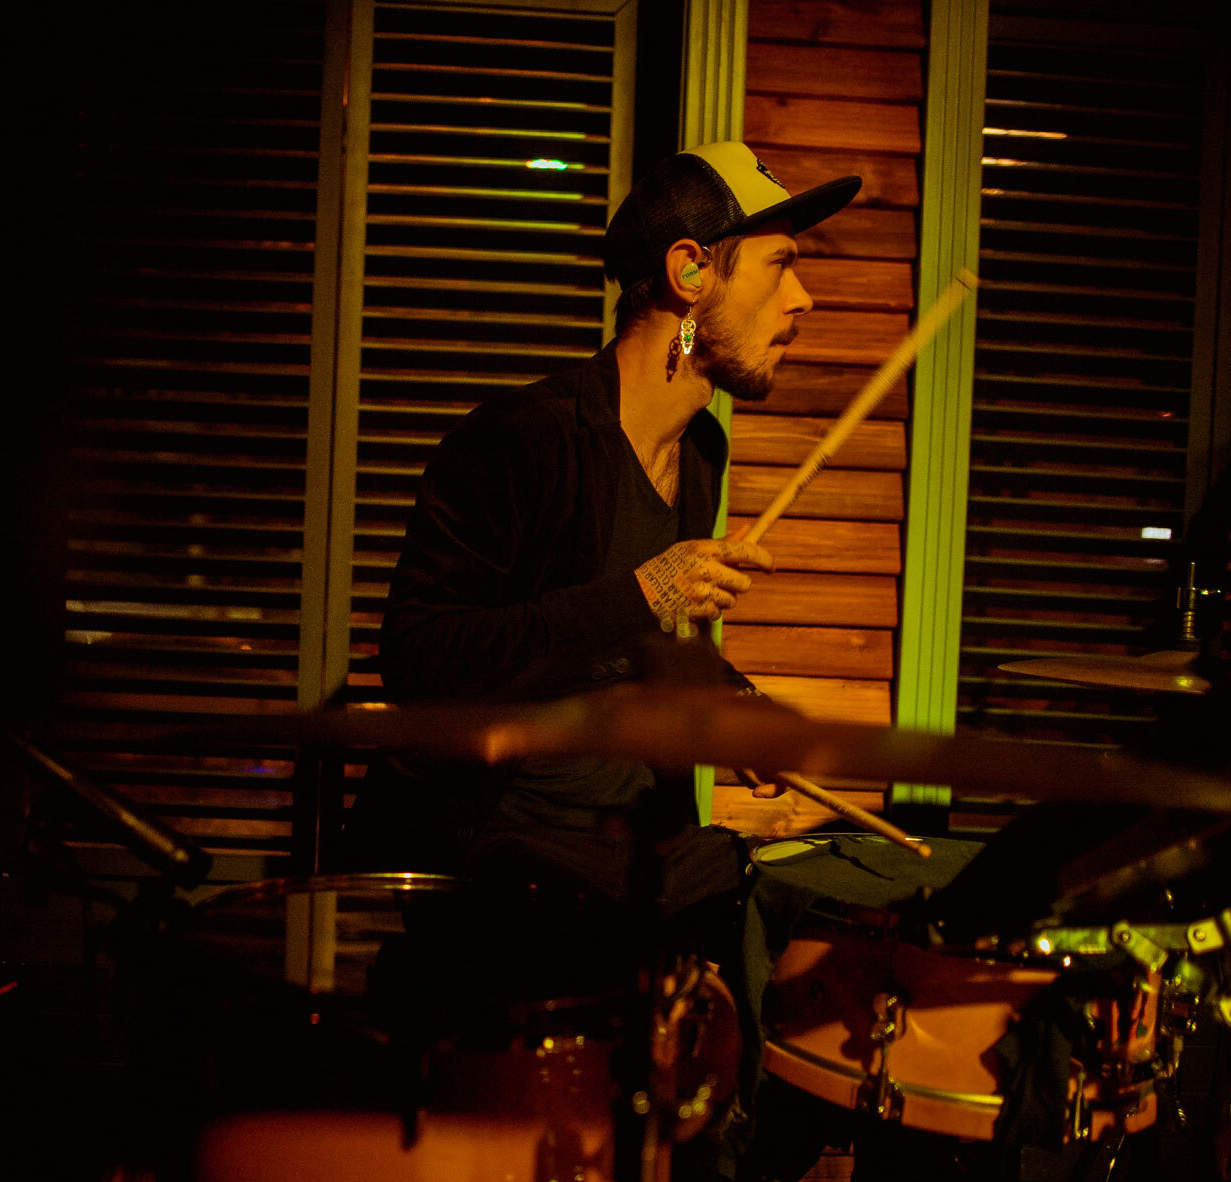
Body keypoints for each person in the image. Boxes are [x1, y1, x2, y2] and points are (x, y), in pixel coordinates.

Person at [346, 141, 863, 919]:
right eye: (779, 265)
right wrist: (645, 591)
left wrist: (734, 705)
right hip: (498, 863)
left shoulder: (700, 451)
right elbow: (421, 660)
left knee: (827, 899)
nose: (803, 299)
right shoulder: (522, 440)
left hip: (637, 846)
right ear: (690, 272)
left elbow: (642, 651)